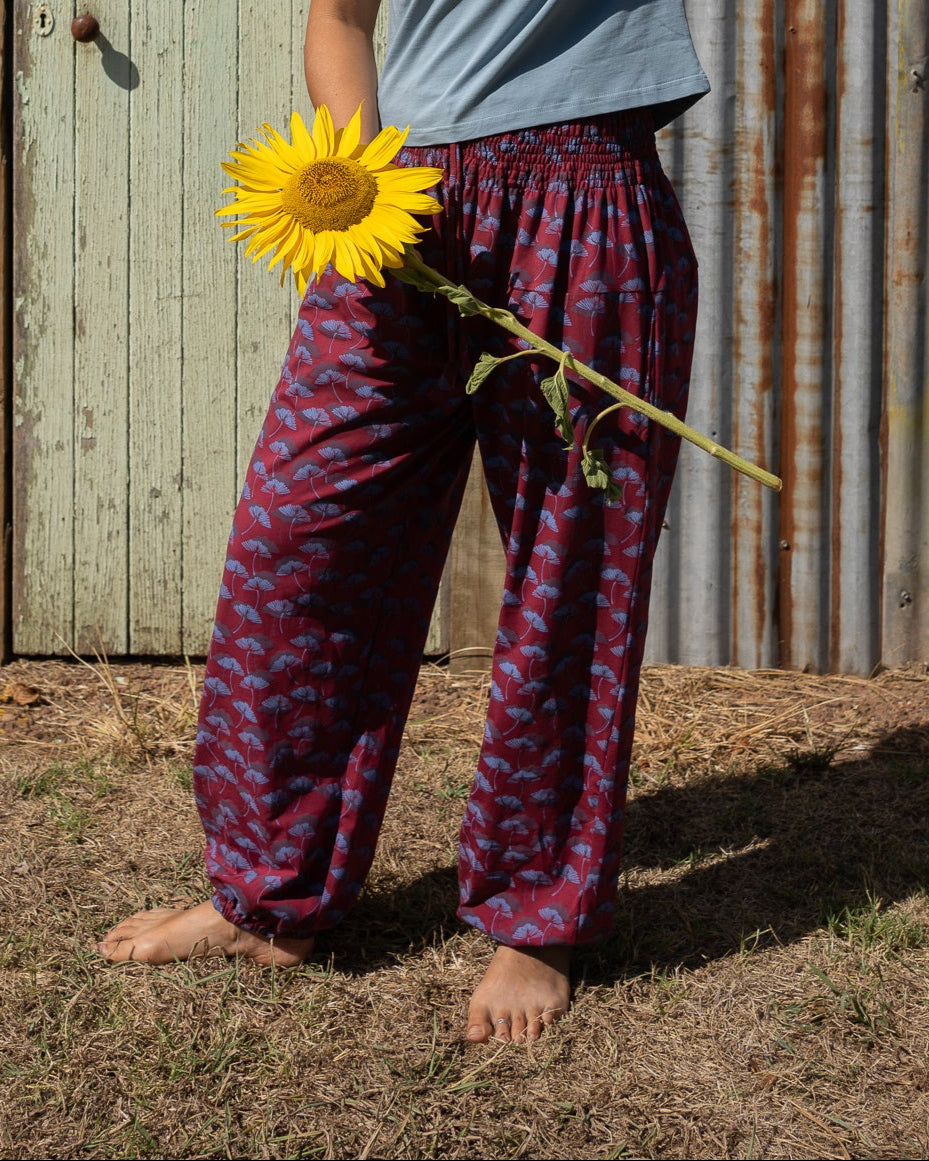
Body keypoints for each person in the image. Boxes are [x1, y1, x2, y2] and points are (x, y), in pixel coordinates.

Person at [99, 0, 709, 1045]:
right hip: (400, 193)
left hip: (586, 188)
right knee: (298, 542)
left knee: (572, 567)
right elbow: (339, 19)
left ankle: (537, 913)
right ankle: (270, 890)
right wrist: (362, 194)